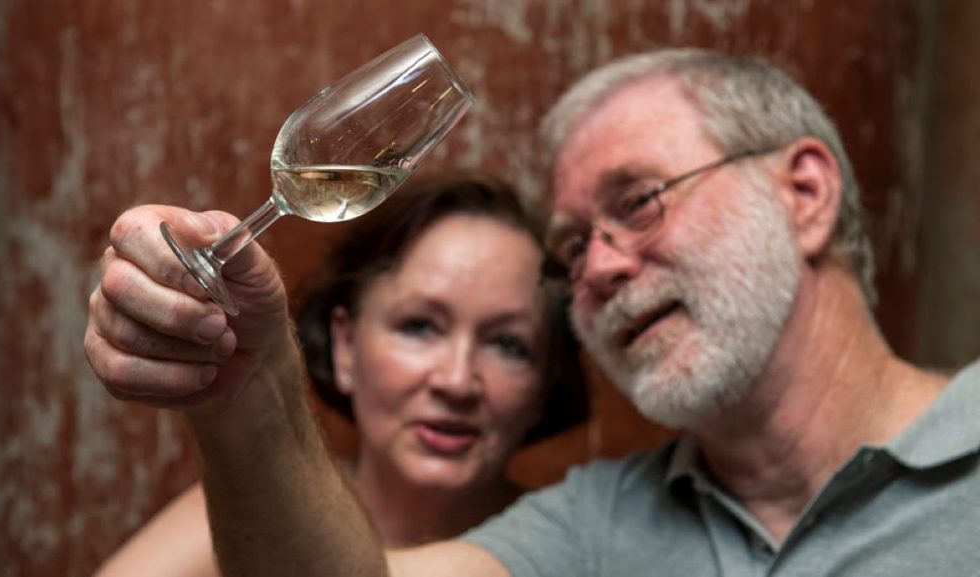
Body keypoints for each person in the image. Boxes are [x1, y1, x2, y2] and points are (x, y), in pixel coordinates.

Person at [85, 46, 980, 577]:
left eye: (638, 200)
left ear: (806, 193)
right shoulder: (599, 523)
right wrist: (249, 382)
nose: (598, 269)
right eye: (573, 246)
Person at [89, 175, 586, 576]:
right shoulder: (248, 509)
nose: (456, 381)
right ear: (346, 346)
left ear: (546, 382)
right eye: (418, 327)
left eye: (507, 345)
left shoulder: (573, 543)